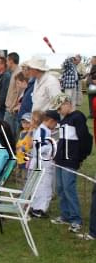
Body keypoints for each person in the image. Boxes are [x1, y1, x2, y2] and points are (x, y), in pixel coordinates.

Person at [50, 94, 93, 233]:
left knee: (69, 188)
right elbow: (62, 141)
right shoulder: (64, 120)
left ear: (67, 103)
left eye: (59, 108)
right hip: (61, 159)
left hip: (71, 160)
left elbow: (85, 139)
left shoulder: (77, 117)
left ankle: (76, 219)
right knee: (61, 187)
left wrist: (80, 157)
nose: (58, 111)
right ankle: (65, 215)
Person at [28, 110, 60, 218]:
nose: (55, 126)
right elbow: (40, 148)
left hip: (38, 162)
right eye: (55, 123)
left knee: (37, 185)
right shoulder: (43, 131)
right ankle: (40, 209)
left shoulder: (42, 130)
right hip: (42, 162)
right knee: (45, 187)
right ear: (51, 121)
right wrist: (53, 146)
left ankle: (34, 206)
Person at [3, 52, 21, 133]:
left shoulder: (18, 73)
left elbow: (19, 92)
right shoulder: (14, 73)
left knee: (9, 133)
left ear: (11, 61)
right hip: (10, 108)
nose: (6, 63)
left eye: (7, 61)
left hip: (11, 109)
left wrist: (13, 106)